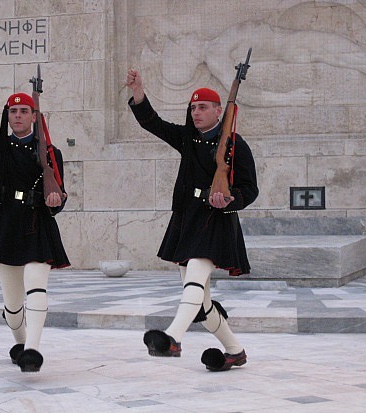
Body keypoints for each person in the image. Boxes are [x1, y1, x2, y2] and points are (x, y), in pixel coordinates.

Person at [126, 69, 259, 371]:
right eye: (193, 107)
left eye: (203, 107)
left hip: (215, 221)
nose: (196, 112)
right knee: (201, 302)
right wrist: (138, 92)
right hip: (188, 220)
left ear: (218, 111)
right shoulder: (188, 139)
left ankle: (173, 338)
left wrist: (230, 199)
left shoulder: (236, 145)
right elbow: (152, 123)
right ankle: (235, 351)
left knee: (195, 277)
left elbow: (250, 189)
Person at [0, 76, 70, 373]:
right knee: (12, 306)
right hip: (6, 225)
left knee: (36, 287)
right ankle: (21, 342)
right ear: (7, 116)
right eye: (13, 111)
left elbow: (59, 196)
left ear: (34, 116)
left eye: (24, 111)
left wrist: (55, 201)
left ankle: (32, 350)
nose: (18, 116)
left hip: (36, 224)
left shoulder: (50, 153)